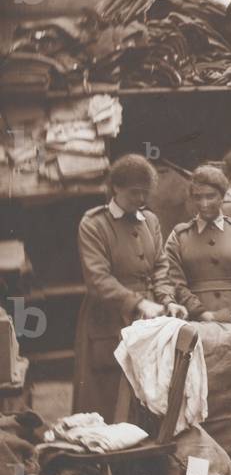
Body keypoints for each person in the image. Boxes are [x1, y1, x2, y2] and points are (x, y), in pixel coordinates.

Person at [154, 166, 231, 430]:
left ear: (222, 196)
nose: (204, 203)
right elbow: (173, 278)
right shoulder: (180, 235)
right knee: (208, 397)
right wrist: (200, 312)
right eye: (197, 197)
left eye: (210, 196)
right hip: (201, 326)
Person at [74, 154, 170, 421]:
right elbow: (98, 280)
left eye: (145, 193)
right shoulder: (93, 224)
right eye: (134, 192)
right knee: (108, 400)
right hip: (108, 319)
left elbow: (161, 266)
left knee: (150, 396)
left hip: (149, 317)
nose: (141, 199)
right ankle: (109, 462)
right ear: (115, 187)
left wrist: (166, 298)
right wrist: (138, 303)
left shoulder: (150, 221)